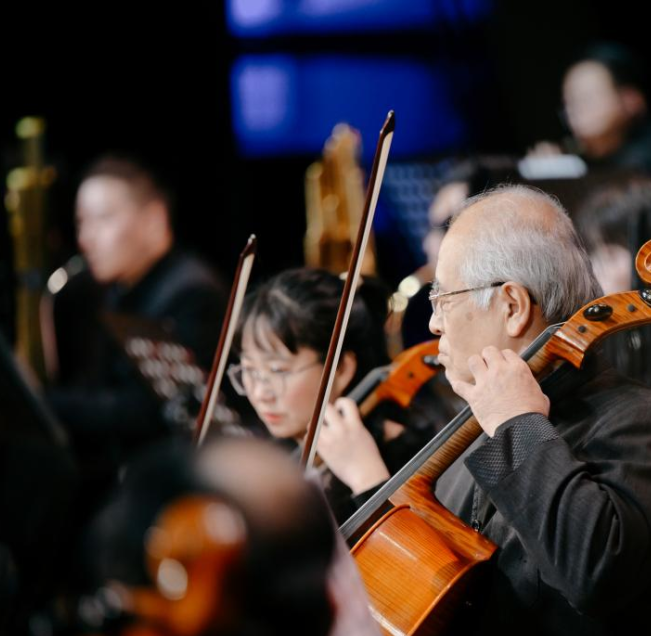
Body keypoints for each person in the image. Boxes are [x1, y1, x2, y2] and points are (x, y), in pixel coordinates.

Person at [423, 184, 651, 636]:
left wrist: (517, 422)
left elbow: (591, 570)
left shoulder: (640, 423)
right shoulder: (475, 434)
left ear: (512, 306)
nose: (433, 323)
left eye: (442, 297)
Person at [47, 155, 226, 463]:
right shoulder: (116, 289)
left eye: (103, 218)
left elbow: (150, 412)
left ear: (154, 219)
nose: (85, 238)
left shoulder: (192, 293)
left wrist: (47, 403)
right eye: (81, 222)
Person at [231, 267, 442, 523]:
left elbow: (418, 557)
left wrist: (367, 479)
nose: (260, 393)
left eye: (277, 370)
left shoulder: (411, 458)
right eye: (249, 370)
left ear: (341, 369)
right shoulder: (274, 458)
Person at [533, 43, 651, 173]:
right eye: (569, 102)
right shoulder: (578, 153)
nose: (574, 110)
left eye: (587, 97)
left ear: (631, 100)